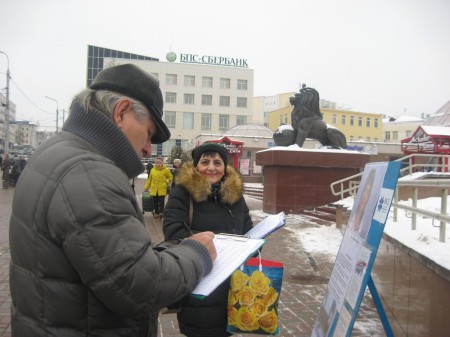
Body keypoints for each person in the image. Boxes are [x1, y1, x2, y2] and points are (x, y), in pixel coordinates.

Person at [9, 63, 217, 337]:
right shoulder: (90, 172)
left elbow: (102, 258)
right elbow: (139, 286)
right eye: (150, 133)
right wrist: (197, 254)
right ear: (121, 112)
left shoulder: (59, 149)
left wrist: (158, 255)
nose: (147, 147)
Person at [163, 142, 254, 337]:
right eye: (205, 161)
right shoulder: (182, 193)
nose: (211, 167)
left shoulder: (236, 196)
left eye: (217, 162)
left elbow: (248, 230)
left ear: (224, 168)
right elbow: (173, 232)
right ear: (196, 166)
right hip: (200, 282)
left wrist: (253, 246)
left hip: (232, 286)